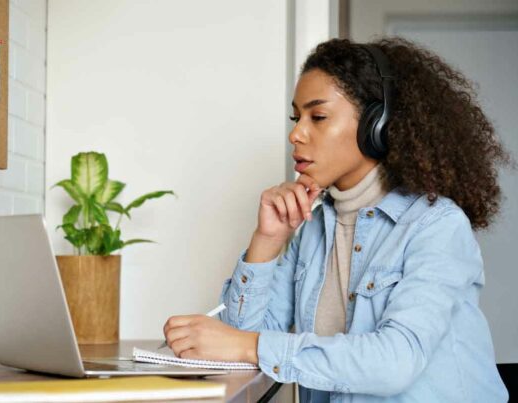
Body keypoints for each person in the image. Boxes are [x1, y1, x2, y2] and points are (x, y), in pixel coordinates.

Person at [162, 36, 512, 401]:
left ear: (376, 125)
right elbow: (234, 350)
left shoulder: (436, 226)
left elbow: (396, 361)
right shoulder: (313, 228)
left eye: (318, 116)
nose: (295, 134)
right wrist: (266, 241)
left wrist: (249, 346)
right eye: (297, 118)